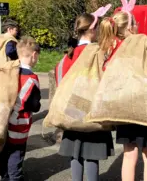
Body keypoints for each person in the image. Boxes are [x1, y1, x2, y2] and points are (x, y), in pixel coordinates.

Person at [99, 11, 147, 181]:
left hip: (124, 108)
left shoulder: (112, 48)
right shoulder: (145, 42)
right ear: (131, 27)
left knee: (128, 154)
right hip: (146, 106)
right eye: (136, 23)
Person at [57, 10, 114, 181]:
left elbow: (60, 77)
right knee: (91, 152)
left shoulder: (70, 53)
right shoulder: (95, 52)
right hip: (91, 107)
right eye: (96, 28)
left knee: (76, 152)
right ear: (91, 29)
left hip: (72, 107)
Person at [0, 36, 42, 181]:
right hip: (19, 122)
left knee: (4, 150)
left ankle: (4, 176)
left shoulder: (9, 71)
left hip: (3, 119)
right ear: (34, 55)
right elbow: (34, 105)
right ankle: (15, 177)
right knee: (16, 151)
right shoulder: (32, 78)